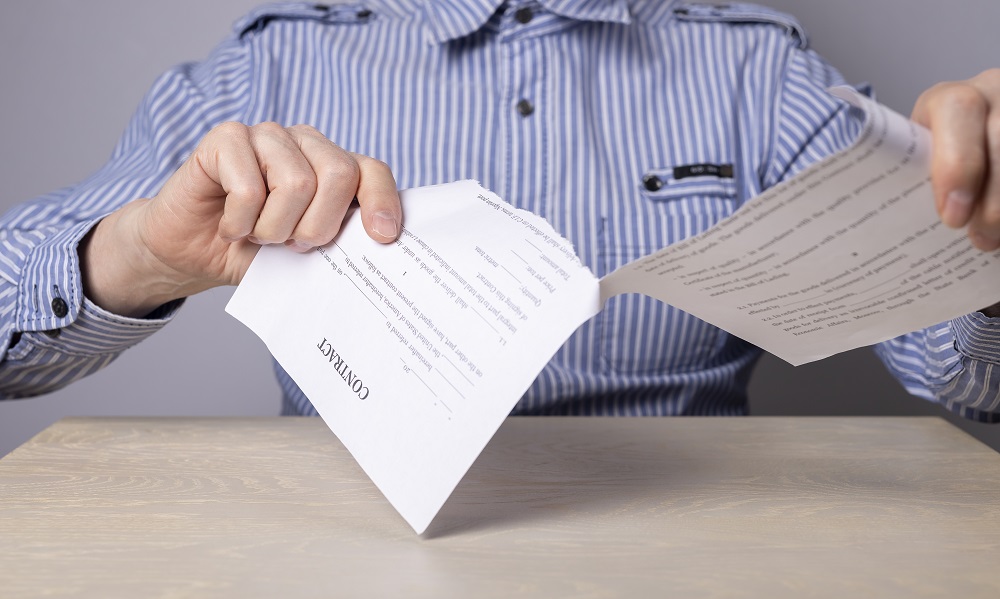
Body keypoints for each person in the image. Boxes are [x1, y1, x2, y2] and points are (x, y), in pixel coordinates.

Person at [2, 1, 999, 420]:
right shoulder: (275, 60)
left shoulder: (754, 70)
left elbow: (967, 375)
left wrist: (985, 248)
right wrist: (134, 256)